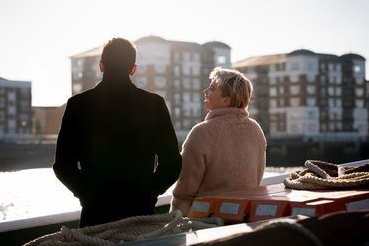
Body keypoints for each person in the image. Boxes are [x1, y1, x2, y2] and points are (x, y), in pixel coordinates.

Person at [54, 38, 181, 227]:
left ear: (101, 66)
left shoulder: (78, 105)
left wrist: (87, 194)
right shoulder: (154, 104)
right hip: (141, 216)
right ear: (133, 69)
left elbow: (63, 165)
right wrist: (149, 193)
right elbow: (172, 163)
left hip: (94, 216)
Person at [170, 67, 266, 216]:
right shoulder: (256, 130)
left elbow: (185, 190)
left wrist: (173, 223)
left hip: (207, 219)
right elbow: (257, 176)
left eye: (212, 89)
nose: (205, 91)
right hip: (244, 215)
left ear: (226, 101)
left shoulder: (201, 132)